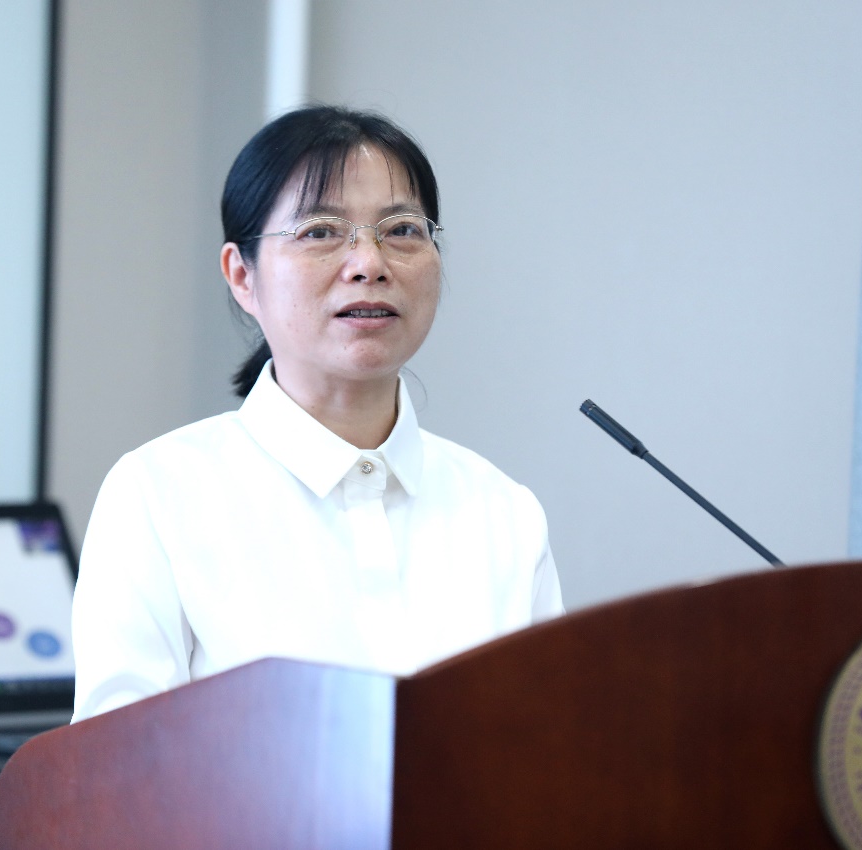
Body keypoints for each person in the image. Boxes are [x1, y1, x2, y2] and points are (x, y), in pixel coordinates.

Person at [70, 105, 563, 722]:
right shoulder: (159, 494)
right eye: (320, 231)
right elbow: (116, 764)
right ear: (242, 275)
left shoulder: (503, 512)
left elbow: (545, 748)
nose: (369, 263)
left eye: (402, 230)